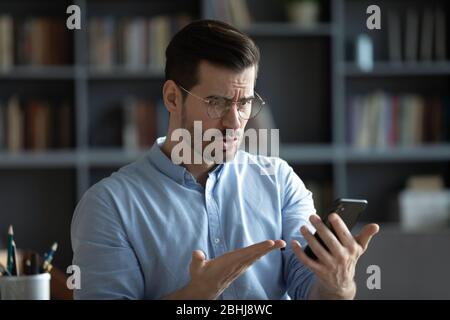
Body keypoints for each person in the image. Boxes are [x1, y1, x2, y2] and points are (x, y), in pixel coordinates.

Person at [71, 20, 379, 300]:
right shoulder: (108, 205)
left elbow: (310, 291)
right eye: (217, 103)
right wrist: (192, 298)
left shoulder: (280, 182)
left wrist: (338, 285)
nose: (235, 122)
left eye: (244, 103)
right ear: (172, 98)